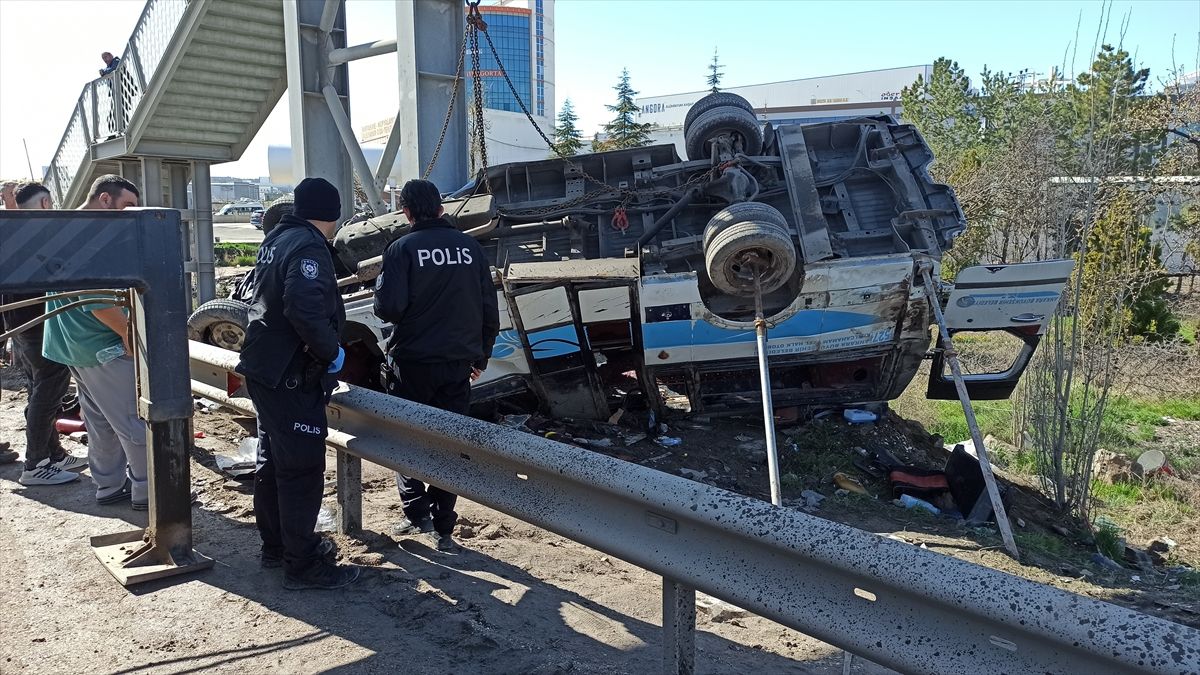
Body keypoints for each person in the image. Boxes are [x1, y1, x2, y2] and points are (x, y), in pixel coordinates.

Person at [236, 177, 359, 590]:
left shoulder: (277, 238)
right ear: (333, 213)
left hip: (264, 368)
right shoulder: (308, 246)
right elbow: (302, 307)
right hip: (290, 375)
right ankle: (303, 565)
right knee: (301, 470)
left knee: (274, 462)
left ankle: (277, 547)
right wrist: (330, 352)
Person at [373, 179, 499, 553]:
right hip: (458, 364)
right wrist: (481, 356)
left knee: (406, 437)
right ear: (441, 208)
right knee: (450, 442)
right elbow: (488, 309)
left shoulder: (401, 249)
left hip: (412, 363)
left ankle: (417, 513)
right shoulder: (471, 249)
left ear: (406, 212)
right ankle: (444, 522)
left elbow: (388, 309)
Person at [42, 175, 145, 507]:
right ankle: (149, 490)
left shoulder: (65, 229)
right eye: (127, 205)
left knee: (101, 422)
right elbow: (97, 299)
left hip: (74, 344)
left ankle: (109, 485)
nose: (130, 214)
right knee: (133, 420)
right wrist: (128, 333)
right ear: (105, 199)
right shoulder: (88, 237)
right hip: (102, 346)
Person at [1, 182, 87, 485]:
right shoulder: (41, 233)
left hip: (19, 322)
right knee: (49, 390)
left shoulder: (10, 230)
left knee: (38, 388)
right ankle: (36, 465)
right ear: (46, 203)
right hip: (40, 322)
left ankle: (53, 454)